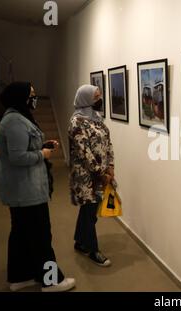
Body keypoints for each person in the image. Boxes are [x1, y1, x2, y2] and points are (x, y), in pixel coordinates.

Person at [0, 82, 75, 292]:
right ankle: (51, 281)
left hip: (24, 190)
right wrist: (42, 154)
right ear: (20, 97)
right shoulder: (14, 121)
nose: (34, 97)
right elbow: (17, 157)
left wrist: (42, 145)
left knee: (22, 234)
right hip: (26, 191)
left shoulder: (18, 117)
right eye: (31, 94)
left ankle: (20, 277)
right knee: (41, 236)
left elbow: (23, 147)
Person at [69, 85, 114, 267]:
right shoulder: (76, 122)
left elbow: (108, 143)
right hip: (86, 177)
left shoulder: (97, 119)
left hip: (101, 174)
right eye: (96, 97)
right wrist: (101, 173)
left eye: (99, 95)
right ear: (86, 99)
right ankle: (93, 250)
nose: (99, 99)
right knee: (89, 212)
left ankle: (80, 242)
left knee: (89, 210)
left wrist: (110, 166)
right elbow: (84, 152)